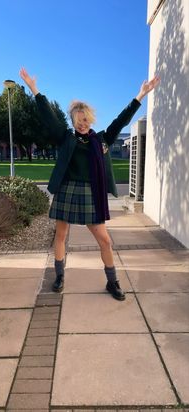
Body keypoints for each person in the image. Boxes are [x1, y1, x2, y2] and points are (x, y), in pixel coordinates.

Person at [20, 68, 160, 301]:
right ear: (73, 121)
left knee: (105, 240)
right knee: (61, 236)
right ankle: (60, 276)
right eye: (78, 120)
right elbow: (48, 117)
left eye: (85, 120)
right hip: (67, 190)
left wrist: (140, 96)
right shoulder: (65, 137)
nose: (82, 124)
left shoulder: (101, 139)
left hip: (91, 194)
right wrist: (34, 89)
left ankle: (112, 282)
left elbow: (121, 120)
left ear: (90, 119)